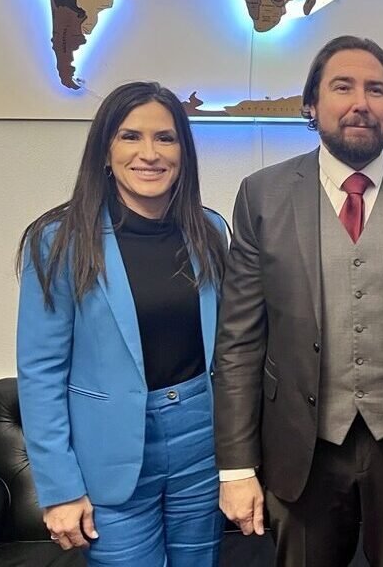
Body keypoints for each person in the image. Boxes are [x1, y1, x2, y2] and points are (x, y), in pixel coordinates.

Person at [213, 35, 383, 567]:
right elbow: (239, 343)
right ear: (311, 106)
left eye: (377, 90)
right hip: (301, 446)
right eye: (343, 87)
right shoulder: (262, 196)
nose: (361, 102)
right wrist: (236, 467)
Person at [16, 81, 229, 566]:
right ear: (105, 150)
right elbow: (40, 372)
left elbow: (231, 351)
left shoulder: (210, 232)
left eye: (166, 138)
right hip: (109, 456)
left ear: (184, 152)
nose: (149, 153)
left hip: (202, 441)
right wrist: (59, 488)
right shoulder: (59, 240)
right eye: (131, 136)